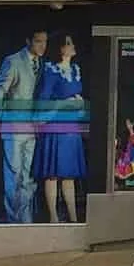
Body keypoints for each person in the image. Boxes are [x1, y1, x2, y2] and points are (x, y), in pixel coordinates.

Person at [0, 28, 47, 222]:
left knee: (27, 177)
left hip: (32, 129)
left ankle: (26, 220)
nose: (42, 46)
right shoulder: (13, 61)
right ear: (28, 40)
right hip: (13, 127)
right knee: (14, 176)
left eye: (44, 42)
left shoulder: (42, 64)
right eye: (38, 41)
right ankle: (14, 222)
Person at [33, 33, 86, 223]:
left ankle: (73, 217)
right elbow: (44, 100)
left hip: (71, 126)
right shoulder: (51, 70)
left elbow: (77, 96)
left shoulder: (76, 69)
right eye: (69, 44)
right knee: (52, 174)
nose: (73, 47)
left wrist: (79, 105)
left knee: (69, 174)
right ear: (61, 48)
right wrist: (63, 104)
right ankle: (54, 218)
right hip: (55, 125)